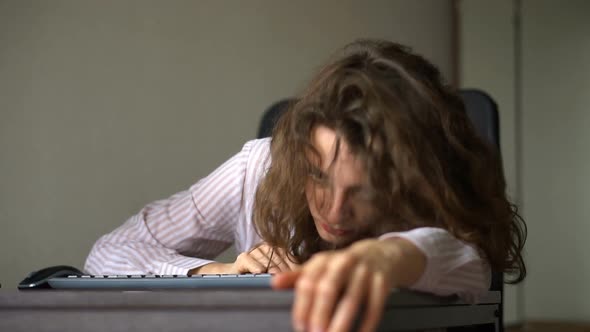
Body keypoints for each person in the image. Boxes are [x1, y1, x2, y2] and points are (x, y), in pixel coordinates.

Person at [85, 39, 526, 332]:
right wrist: (213, 271)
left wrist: (389, 255)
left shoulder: (429, 192)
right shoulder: (258, 166)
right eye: (318, 177)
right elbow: (107, 253)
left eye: (364, 190)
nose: (333, 211)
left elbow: (470, 266)